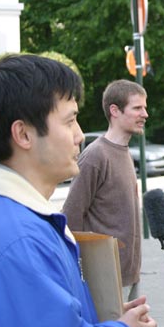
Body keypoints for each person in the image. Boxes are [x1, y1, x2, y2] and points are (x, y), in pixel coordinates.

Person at [0, 54, 157, 327]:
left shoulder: (16, 219)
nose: (80, 135)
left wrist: (108, 325)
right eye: (70, 121)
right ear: (23, 134)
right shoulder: (16, 240)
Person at [63, 79, 148, 301]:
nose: (145, 114)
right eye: (137, 108)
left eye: (144, 108)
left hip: (130, 275)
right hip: (105, 278)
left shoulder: (124, 152)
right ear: (115, 111)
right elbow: (71, 216)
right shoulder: (95, 156)